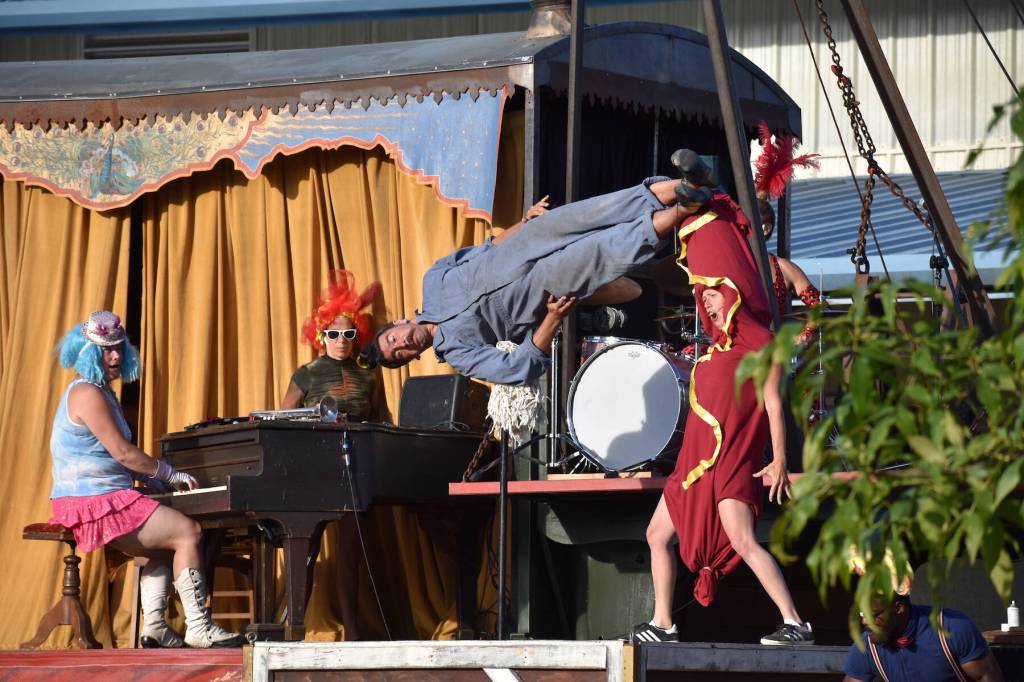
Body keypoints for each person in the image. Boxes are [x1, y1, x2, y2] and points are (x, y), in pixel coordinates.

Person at [630, 177, 814, 646]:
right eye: (703, 293)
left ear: (732, 293)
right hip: (693, 465)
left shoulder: (760, 348)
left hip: (730, 461)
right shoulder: (711, 352)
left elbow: (774, 404)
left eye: (713, 291)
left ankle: (795, 622)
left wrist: (779, 459)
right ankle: (664, 623)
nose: (705, 298)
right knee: (656, 534)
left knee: (743, 539)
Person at [358, 175, 710, 384]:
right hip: (546, 283)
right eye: (400, 353)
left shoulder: (434, 279)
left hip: (533, 237)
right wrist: (554, 319)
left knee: (599, 209)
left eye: (393, 338)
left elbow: (489, 246)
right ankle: (686, 208)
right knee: (607, 249)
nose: (403, 343)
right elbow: (520, 367)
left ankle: (689, 183)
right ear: (411, 358)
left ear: (398, 323)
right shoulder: (459, 355)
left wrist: (524, 222)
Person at [48, 310, 244, 648]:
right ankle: (199, 628)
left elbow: (108, 458)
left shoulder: (102, 392)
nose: (114, 356)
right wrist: (167, 473)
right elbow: (123, 452)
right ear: (87, 353)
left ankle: (154, 627)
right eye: (105, 350)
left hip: (98, 495)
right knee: (188, 532)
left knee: (163, 546)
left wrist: (150, 481)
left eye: (119, 348)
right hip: (91, 502)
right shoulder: (87, 393)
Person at [281, 270, 387, 640]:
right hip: (315, 466)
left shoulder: (369, 373)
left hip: (356, 465)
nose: (341, 341)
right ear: (320, 335)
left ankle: (354, 631)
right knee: (306, 546)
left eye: (348, 334)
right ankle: (293, 627)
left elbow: (380, 419)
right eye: (333, 334)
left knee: (350, 553)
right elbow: (287, 420)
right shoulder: (307, 373)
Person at [753, 121, 823, 345]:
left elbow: (818, 307)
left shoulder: (784, 268)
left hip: (772, 355)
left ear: (765, 228)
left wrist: (803, 336)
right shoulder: (731, 260)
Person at [844, 592, 1005, 682]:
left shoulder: (951, 627)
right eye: (862, 614)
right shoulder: (866, 647)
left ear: (898, 608)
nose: (864, 621)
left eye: (872, 615)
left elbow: (987, 676)